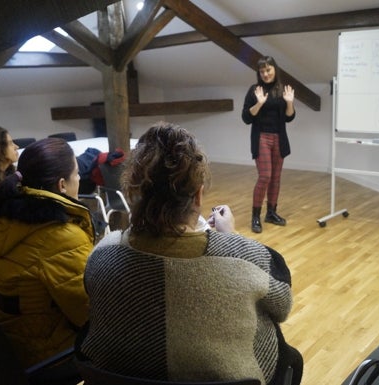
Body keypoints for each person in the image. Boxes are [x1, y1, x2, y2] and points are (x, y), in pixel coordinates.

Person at [75, 122, 303, 385]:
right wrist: (231, 239)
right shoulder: (248, 258)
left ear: (135, 192)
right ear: (197, 195)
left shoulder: (102, 253)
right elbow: (282, 306)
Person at [0, 137, 95, 383]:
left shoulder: (4, 219)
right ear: (62, 185)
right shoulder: (59, 236)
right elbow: (89, 314)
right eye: (77, 174)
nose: (80, 179)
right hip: (48, 352)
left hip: (14, 340)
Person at [242, 55, 296, 233]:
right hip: (261, 138)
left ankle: (271, 213)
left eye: (268, 70)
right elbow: (246, 118)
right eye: (262, 71)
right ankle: (256, 216)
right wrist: (259, 103)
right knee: (265, 176)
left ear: (275, 69)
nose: (265, 74)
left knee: (276, 178)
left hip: (279, 138)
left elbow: (289, 117)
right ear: (259, 73)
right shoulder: (254, 90)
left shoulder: (282, 89)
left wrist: (290, 103)